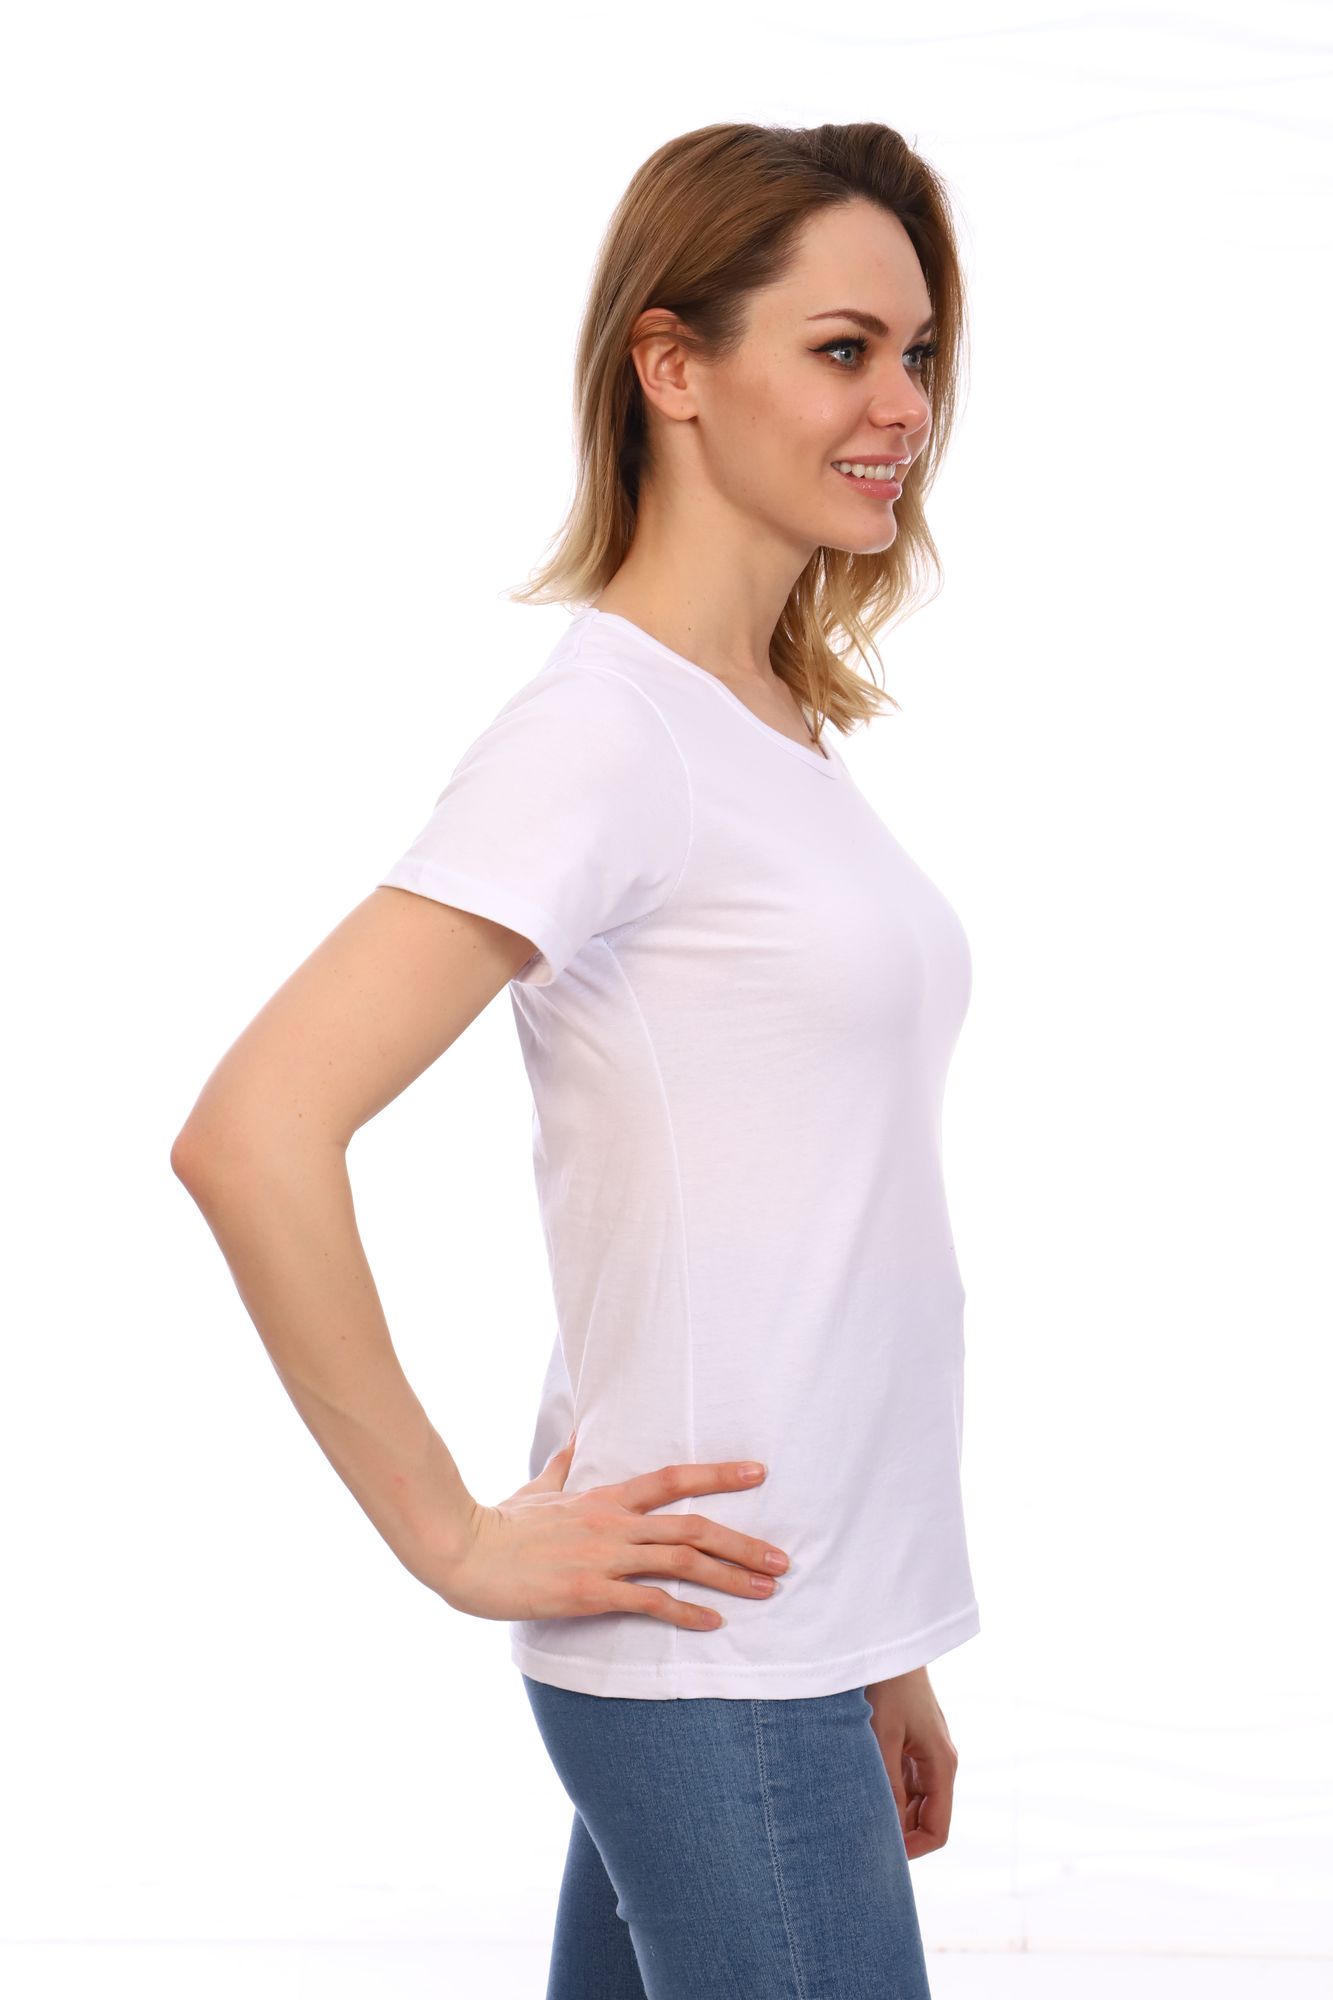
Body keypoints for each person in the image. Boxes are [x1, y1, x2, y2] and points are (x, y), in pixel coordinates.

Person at [172, 118, 979, 1999]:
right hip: (715, 1662)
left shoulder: (763, 729)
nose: (903, 407)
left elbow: (818, 1227)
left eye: (918, 353)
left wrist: (880, 1644)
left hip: (773, 1634)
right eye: (843, 349)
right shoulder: (606, 737)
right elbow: (254, 1130)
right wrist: (451, 1536)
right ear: (670, 366)